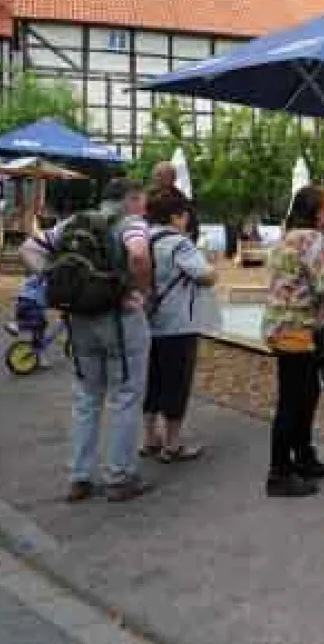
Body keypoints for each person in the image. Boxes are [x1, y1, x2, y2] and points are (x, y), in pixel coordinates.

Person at [19, 178, 154, 503]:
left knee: (86, 397)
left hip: (79, 319)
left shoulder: (73, 223)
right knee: (125, 395)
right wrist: (138, 290)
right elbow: (138, 255)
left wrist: (53, 280)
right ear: (131, 200)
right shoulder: (131, 223)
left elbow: (28, 248)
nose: (145, 209)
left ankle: (79, 477)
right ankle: (119, 478)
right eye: (143, 202)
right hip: (119, 321)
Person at [261, 184, 324, 497]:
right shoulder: (314, 240)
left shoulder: (288, 237)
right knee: (294, 402)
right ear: (318, 212)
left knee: (304, 395)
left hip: (279, 326)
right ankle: (279, 472)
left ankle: (304, 458)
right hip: (299, 329)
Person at [142, 188, 217, 463]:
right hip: (177, 324)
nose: (187, 219)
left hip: (146, 322)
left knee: (150, 381)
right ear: (176, 216)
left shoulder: (142, 239)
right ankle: (172, 444)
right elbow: (205, 275)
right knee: (176, 382)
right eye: (184, 214)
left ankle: (149, 438)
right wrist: (213, 271)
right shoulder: (179, 243)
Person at [150, 162, 199, 242]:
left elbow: (184, 227)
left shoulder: (179, 200)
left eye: (160, 175)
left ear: (173, 178)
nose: (156, 178)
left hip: (172, 242)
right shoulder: (149, 195)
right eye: (155, 175)